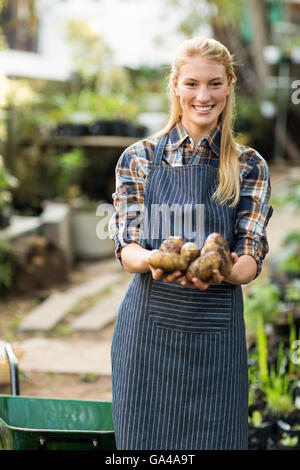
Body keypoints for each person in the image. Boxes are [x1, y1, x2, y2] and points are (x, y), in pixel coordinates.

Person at [108, 37, 273, 450]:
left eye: (215, 84)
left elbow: (250, 255)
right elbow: (127, 246)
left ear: (230, 85)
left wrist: (222, 270)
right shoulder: (139, 158)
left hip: (216, 340)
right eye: (193, 84)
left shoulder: (250, 165)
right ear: (176, 86)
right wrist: (154, 259)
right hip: (147, 340)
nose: (204, 96)